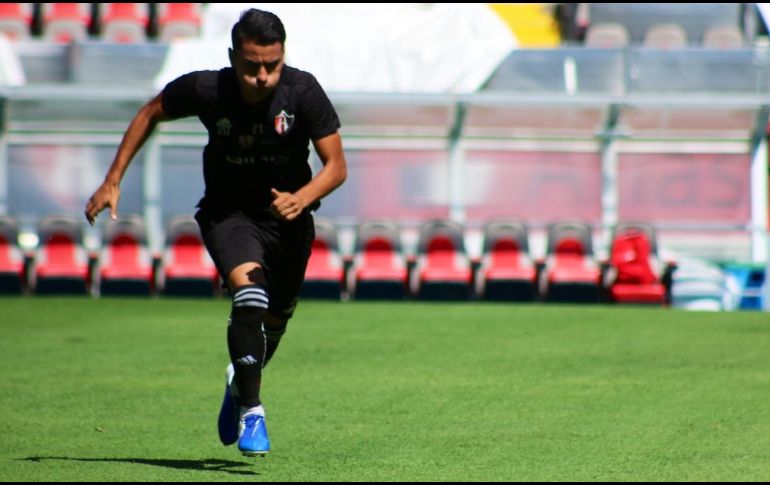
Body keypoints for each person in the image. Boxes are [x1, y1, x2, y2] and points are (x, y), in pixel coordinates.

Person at [84, 8, 347, 457]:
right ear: (232, 57)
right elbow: (151, 112)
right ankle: (252, 410)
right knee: (250, 297)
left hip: (288, 220)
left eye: (273, 65)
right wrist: (113, 178)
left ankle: (238, 381)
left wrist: (302, 198)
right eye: (252, 65)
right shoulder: (208, 88)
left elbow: (336, 166)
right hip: (228, 214)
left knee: (275, 321)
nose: (263, 76)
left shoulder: (303, 90)